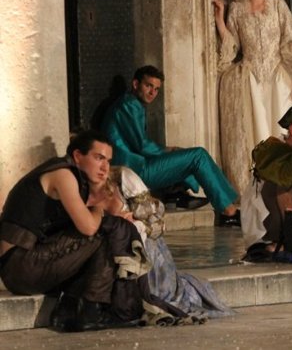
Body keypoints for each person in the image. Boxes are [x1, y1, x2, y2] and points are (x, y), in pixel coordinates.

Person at [0, 131, 139, 332]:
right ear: (77, 156)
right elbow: (88, 227)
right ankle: (91, 311)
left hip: (26, 265)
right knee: (106, 229)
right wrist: (100, 209)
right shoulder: (63, 175)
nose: (105, 167)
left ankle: (70, 308)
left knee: (109, 226)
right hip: (20, 267)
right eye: (98, 158)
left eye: (108, 161)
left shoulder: (75, 178)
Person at [212, 0, 292, 197]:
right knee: (257, 131)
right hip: (252, 80)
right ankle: (260, 193)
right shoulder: (237, 10)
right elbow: (233, 46)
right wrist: (220, 19)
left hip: (278, 77)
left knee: (284, 129)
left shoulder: (278, 5)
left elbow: (291, 41)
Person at [101, 65, 239, 226]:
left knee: (184, 156)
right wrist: (168, 150)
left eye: (156, 89)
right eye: (148, 86)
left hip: (135, 166)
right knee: (198, 156)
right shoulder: (129, 105)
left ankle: (176, 193)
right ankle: (228, 212)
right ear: (136, 84)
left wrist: (169, 151)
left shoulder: (131, 104)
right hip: (133, 171)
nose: (152, 93)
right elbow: (141, 145)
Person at [99, 166, 234, 319]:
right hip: (112, 257)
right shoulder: (82, 190)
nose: (101, 165)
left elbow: (156, 222)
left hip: (145, 250)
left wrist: (135, 225)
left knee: (162, 295)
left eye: (104, 158)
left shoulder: (122, 178)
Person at [240, 103, 292, 254]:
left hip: (288, 216)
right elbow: (286, 176)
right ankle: (290, 240)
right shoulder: (272, 148)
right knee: (287, 183)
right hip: (263, 225)